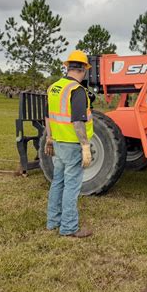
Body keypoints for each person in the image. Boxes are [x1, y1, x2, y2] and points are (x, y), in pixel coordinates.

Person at [44, 50, 94, 238]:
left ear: (67, 67)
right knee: (71, 187)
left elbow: (48, 116)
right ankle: (69, 228)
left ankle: (53, 221)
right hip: (73, 145)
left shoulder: (54, 88)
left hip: (58, 143)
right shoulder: (77, 91)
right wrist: (85, 146)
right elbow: (78, 122)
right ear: (83, 69)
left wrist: (49, 138)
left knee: (58, 183)